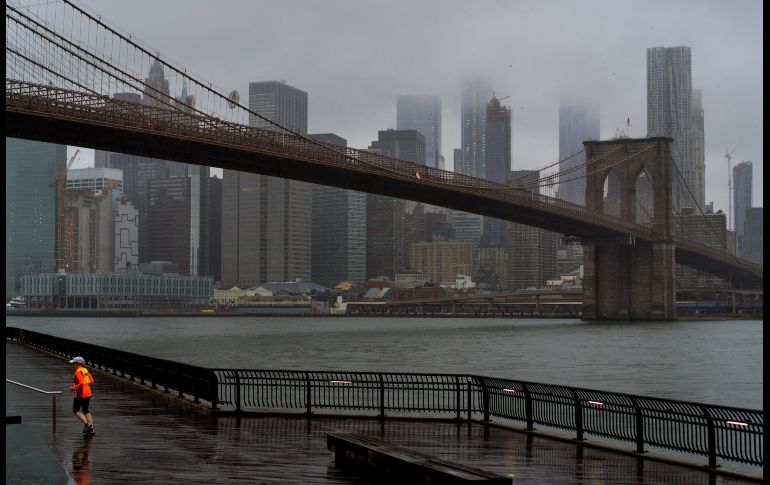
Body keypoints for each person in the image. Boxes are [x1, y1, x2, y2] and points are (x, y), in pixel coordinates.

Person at [69, 356, 95, 435]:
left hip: (81, 393)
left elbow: (81, 383)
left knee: (75, 410)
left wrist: (73, 388)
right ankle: (91, 427)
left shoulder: (77, 371)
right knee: (86, 410)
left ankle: (87, 424)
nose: (73, 365)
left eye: (74, 363)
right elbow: (92, 380)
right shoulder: (85, 370)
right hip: (88, 392)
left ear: (77, 364)